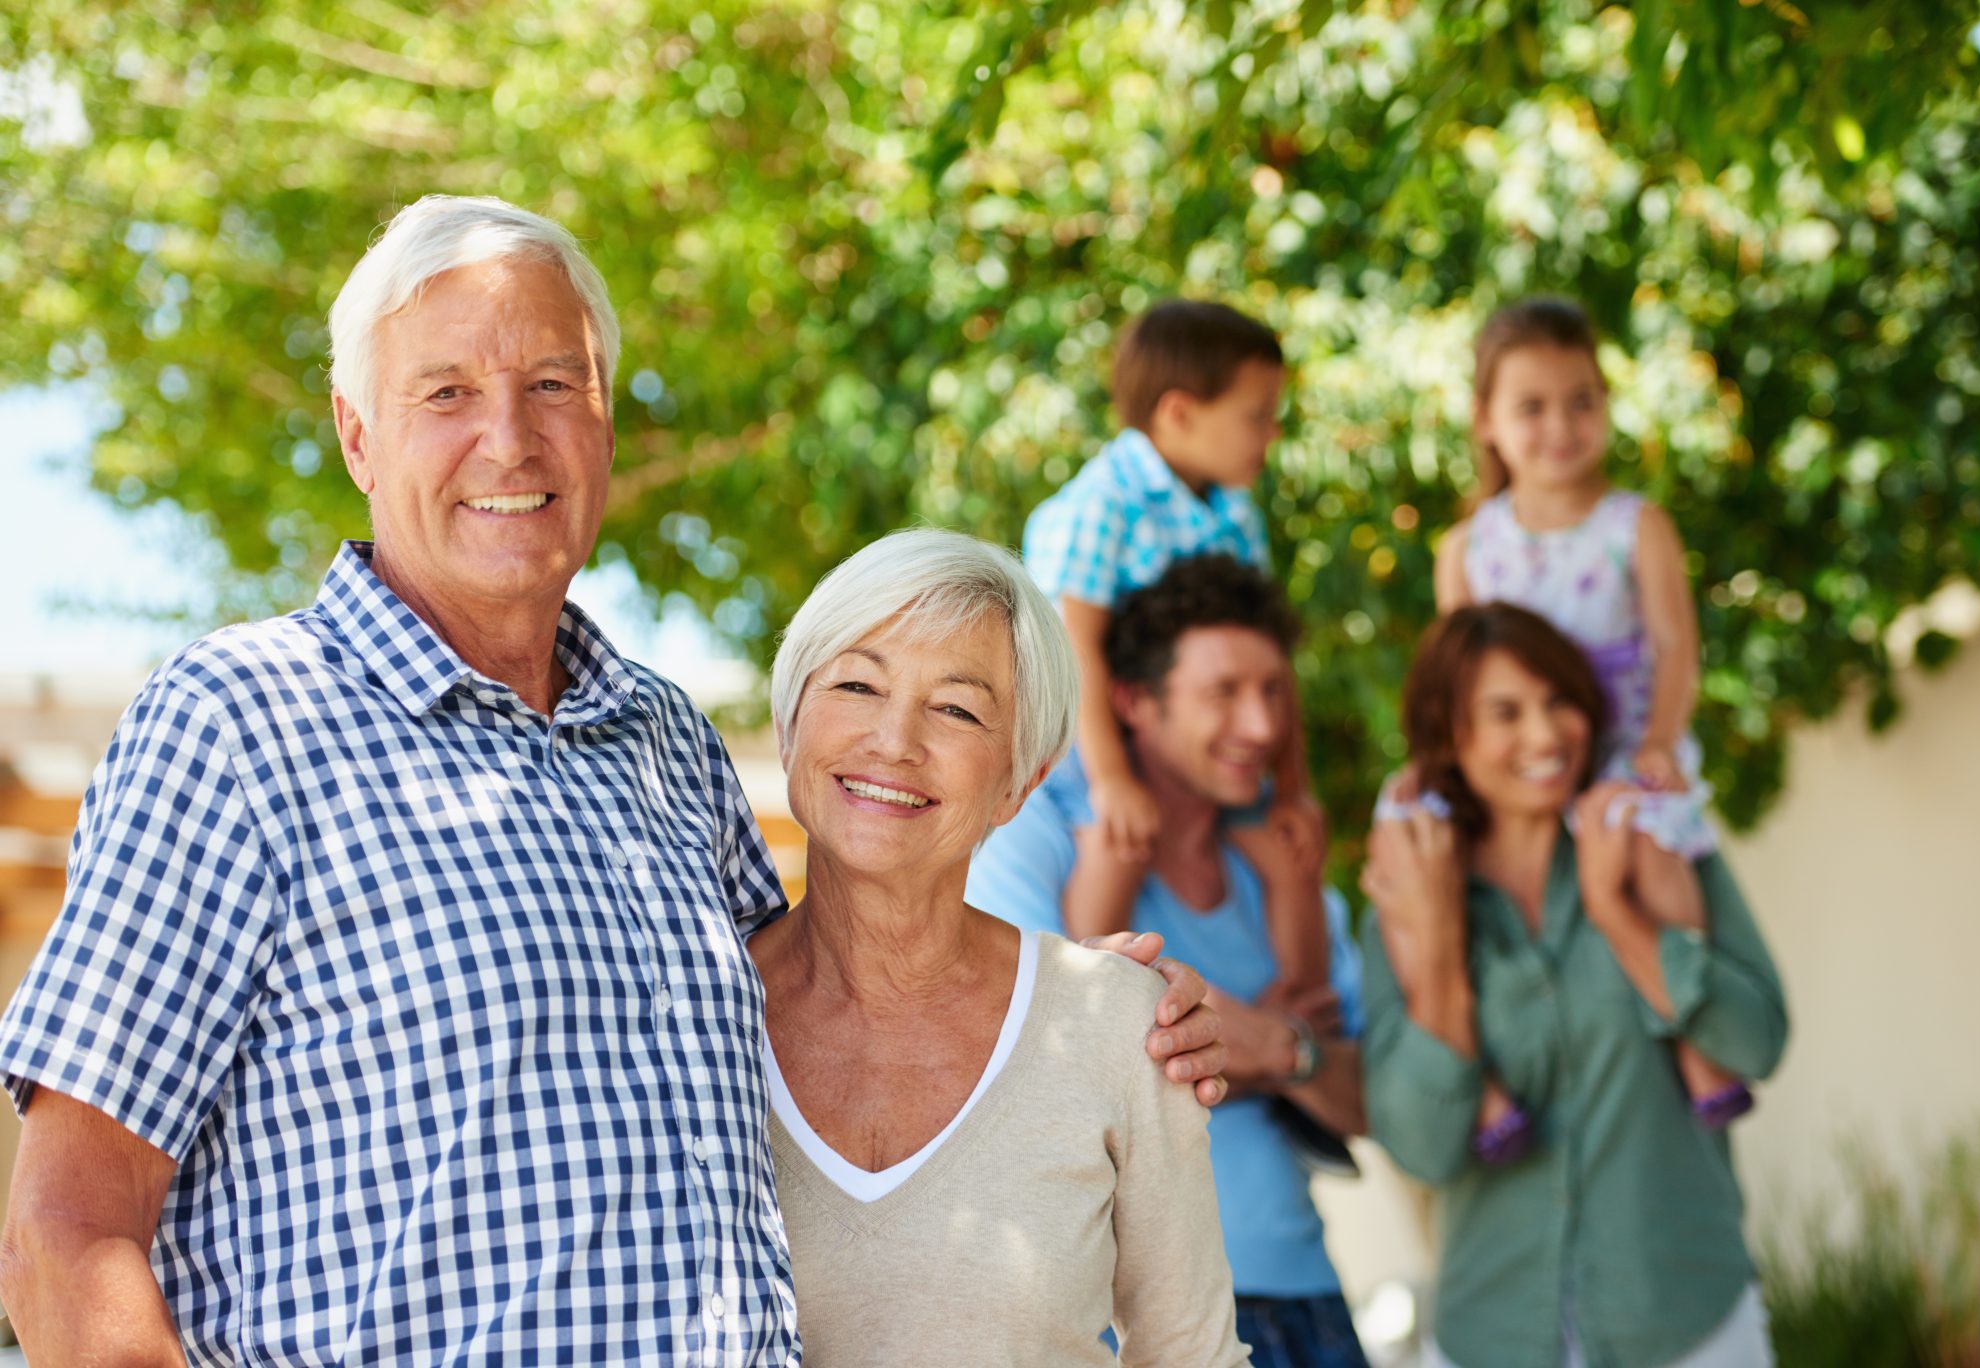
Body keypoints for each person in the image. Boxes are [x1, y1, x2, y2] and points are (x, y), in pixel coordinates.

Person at [0, 195, 1225, 1364]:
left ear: (603, 426)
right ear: (356, 434)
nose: (510, 437)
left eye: (553, 385)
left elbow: (834, 998)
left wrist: (1064, 1008)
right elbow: (66, 1232)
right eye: (447, 393)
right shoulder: (238, 727)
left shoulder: (666, 745)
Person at [749, 528, 1249, 1366]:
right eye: (858, 684)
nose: (895, 740)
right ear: (790, 718)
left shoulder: (1121, 1023)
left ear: (1021, 779)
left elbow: (1193, 1353)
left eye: (956, 708)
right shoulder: (689, 1013)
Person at [969, 553, 1373, 1368]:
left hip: (1305, 1297)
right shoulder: (1034, 833)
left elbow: (1369, 1102)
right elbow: (1032, 1061)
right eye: (1223, 693)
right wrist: (1283, 1044)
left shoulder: (1283, 871)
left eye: (1271, 692)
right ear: (1133, 702)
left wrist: (1273, 1046)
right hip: (1115, 1314)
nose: (1261, 726)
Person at [1361, 603, 1788, 1368]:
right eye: (1506, 712)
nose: (1546, 734)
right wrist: (1440, 949)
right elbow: (1423, 1150)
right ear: (1452, 735)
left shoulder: (1658, 847)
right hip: (1490, 1332)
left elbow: (1757, 1041)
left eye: (1560, 701)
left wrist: (1617, 917)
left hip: (1685, 1320)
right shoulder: (1404, 901)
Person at [1388, 296, 1750, 1147]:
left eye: (1580, 401)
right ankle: (1473, 1082)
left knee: (1653, 854)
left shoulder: (1637, 526)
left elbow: (1674, 648)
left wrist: (1658, 741)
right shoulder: (1467, 548)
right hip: (1513, 762)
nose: (1560, 425)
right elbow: (1459, 681)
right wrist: (1433, 763)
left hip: (1617, 747)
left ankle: (1692, 1037)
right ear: (1486, 421)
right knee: (1405, 844)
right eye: (1532, 406)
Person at [1021, 299, 1331, 1007]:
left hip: (1182, 733)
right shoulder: (1106, 500)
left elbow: (1267, 653)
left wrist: (1292, 788)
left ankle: (1303, 1012)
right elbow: (1078, 651)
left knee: (1288, 853)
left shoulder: (1232, 509)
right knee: (1117, 840)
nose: (1272, 432)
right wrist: (1112, 780)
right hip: (1086, 732)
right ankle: (1089, 1015)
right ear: (1179, 414)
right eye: (1257, 415)